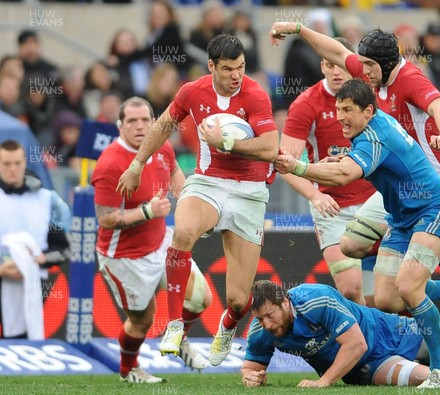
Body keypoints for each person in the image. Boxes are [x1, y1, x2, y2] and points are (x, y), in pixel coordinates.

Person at [269, 23, 440, 384]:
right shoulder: (371, 79)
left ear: (384, 63)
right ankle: (422, 280)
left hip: (439, 185)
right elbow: (336, 53)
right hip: (396, 193)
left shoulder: (408, 79)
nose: (360, 71)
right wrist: (299, 28)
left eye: (367, 65)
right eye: (361, 64)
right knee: (358, 255)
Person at [116, 34, 278, 367]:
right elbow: (163, 124)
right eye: (229, 69)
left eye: (242, 67)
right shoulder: (193, 91)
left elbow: (270, 148)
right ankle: (175, 324)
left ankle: (228, 325)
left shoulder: (255, 94)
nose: (237, 75)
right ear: (211, 66)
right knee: (183, 232)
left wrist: (228, 142)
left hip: (249, 191)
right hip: (208, 182)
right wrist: (136, 164)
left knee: (237, 299)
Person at [92, 97, 212, 383]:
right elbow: (106, 218)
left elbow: (177, 180)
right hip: (124, 257)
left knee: (201, 299)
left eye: (146, 120)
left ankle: (179, 340)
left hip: (161, 244)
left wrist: (194, 207)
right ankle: (128, 370)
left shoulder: (163, 147)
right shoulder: (109, 163)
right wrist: (146, 211)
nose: (140, 126)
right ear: (120, 126)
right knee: (143, 320)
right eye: (132, 121)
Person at [242, 280, 440, 388]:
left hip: (388, 329)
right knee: (427, 381)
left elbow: (355, 344)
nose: (266, 324)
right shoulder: (262, 328)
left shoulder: (316, 299)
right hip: (366, 365)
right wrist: (250, 376)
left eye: (270, 315)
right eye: (260, 318)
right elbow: (251, 365)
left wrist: (323, 382)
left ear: (285, 302)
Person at [279, 37, 377, 306]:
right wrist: (315, 196)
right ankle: (365, 344)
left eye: (340, 65)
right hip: (333, 206)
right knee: (350, 289)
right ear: (321, 66)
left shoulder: (371, 97)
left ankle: (398, 340)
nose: (335, 72)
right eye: (328, 65)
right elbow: (284, 165)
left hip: (376, 202)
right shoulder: (306, 104)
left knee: (394, 293)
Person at [0, 140, 71, 339]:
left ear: (25, 163)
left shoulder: (44, 200)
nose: (13, 169)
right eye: (6, 164)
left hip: (31, 285)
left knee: (21, 343)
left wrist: (41, 259)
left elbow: (64, 249)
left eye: (17, 163)